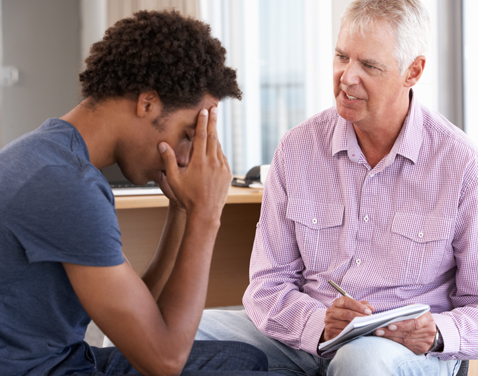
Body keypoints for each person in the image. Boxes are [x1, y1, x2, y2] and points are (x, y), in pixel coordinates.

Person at [196, 0, 478, 375]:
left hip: (404, 353)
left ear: (413, 71)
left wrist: (437, 332)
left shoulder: (460, 164)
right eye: (342, 56)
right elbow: (268, 284)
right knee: (161, 334)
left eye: (369, 65)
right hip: (303, 339)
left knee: (360, 360)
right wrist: (320, 324)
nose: (346, 76)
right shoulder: (298, 148)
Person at [0, 10, 275, 376]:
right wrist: (207, 214)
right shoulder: (65, 187)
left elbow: (146, 314)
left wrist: (182, 211)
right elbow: (163, 360)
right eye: (188, 134)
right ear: (147, 103)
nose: (185, 156)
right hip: (42, 370)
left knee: (244, 360)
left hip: (61, 358)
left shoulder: (54, 155)